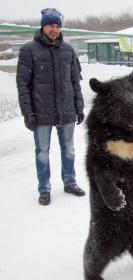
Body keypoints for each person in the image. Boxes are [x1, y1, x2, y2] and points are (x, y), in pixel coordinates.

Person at [16, 8, 86, 206]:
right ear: (43, 26)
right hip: (41, 112)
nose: (54, 29)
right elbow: (23, 85)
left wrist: (79, 107)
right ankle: (44, 188)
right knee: (42, 151)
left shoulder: (68, 50)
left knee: (69, 150)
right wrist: (27, 112)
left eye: (57, 26)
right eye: (50, 25)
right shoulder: (28, 50)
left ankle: (70, 181)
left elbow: (75, 82)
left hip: (66, 110)